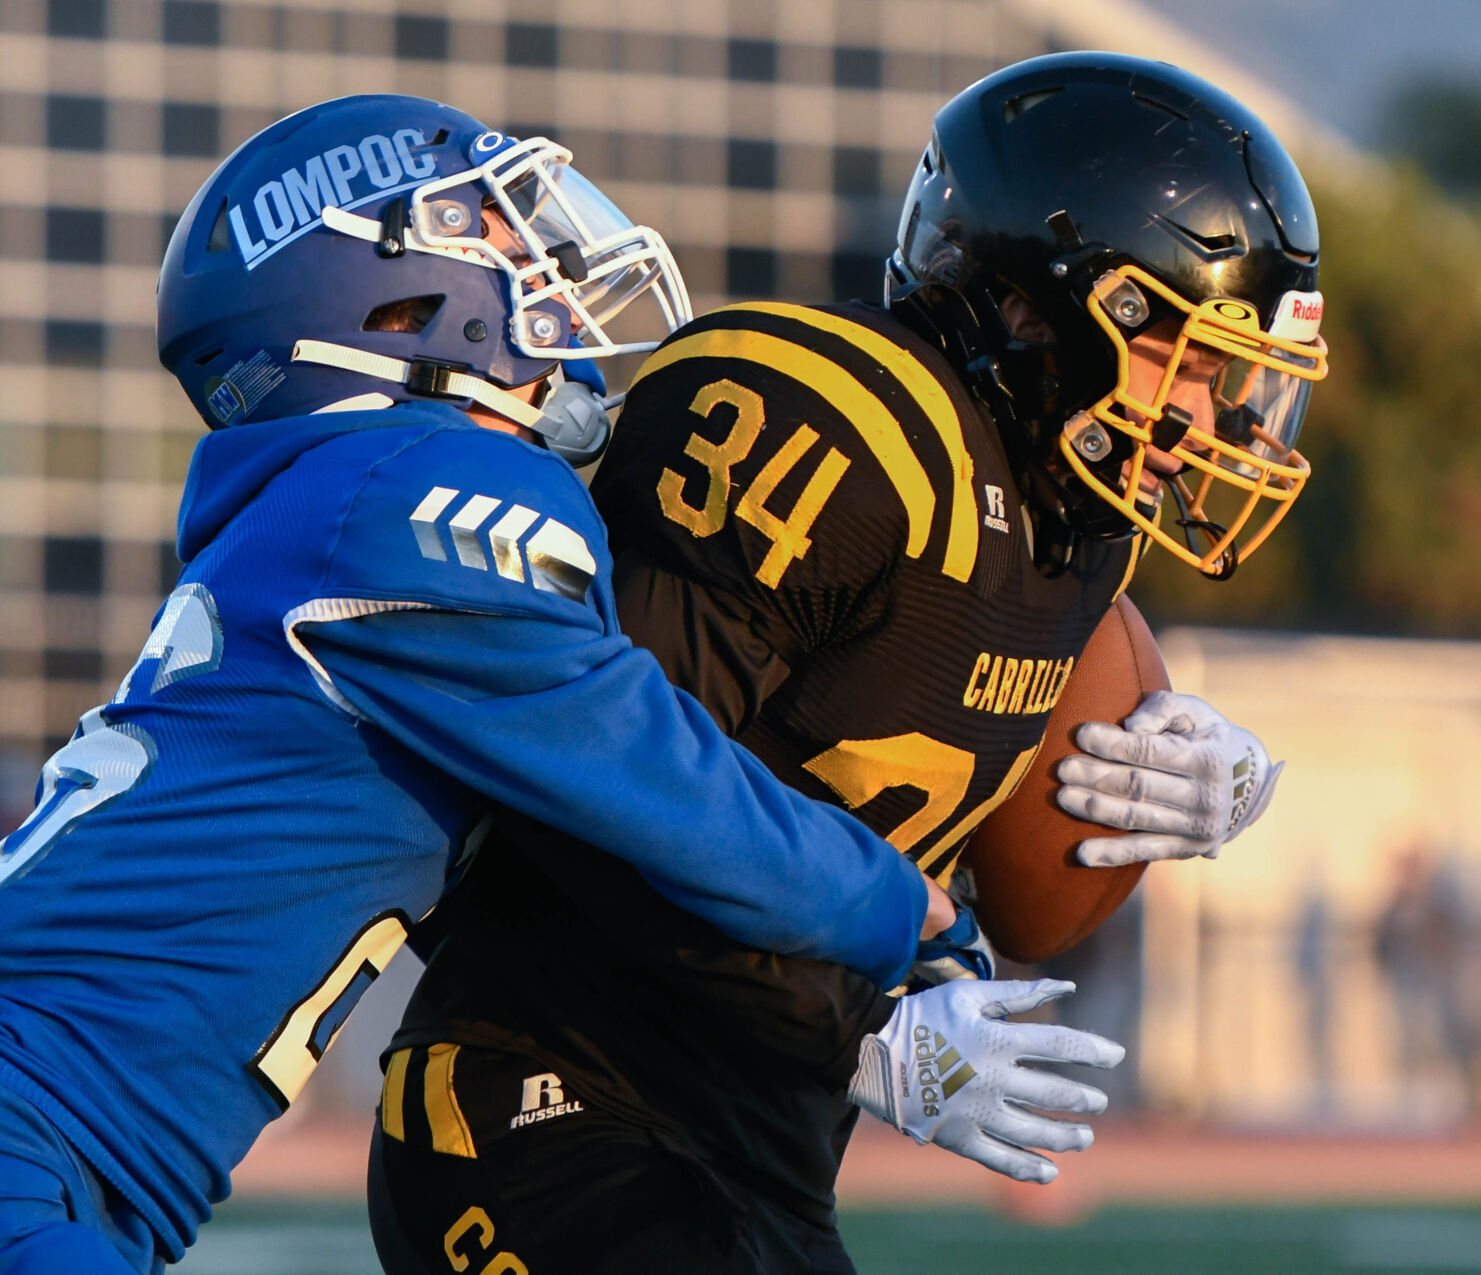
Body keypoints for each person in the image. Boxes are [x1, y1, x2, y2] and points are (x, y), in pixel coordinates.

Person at [0, 93, 996, 1274]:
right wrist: (906, 913)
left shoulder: (342, 503)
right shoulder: (412, 489)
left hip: (63, 1156)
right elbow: (659, 779)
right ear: (389, 302)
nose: (544, 261)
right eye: (494, 232)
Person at [370, 53, 1327, 1275]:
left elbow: (994, 896)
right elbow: (595, 792)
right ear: (1036, 311)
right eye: (1182, 362)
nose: (1203, 420)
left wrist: (1144, 785)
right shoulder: (834, 427)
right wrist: (866, 1028)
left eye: (1222, 376)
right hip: (544, 1105)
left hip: (765, 1152)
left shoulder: (1072, 536)